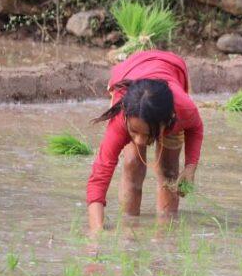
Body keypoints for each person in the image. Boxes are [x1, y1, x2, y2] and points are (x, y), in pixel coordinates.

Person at [86, 50, 203, 232]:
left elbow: (196, 128)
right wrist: (96, 232)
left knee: (169, 171)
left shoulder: (183, 110)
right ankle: (129, 230)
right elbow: (99, 176)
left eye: (148, 134)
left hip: (171, 73)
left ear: (168, 122)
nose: (140, 141)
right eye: (135, 132)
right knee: (132, 164)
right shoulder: (122, 118)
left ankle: (166, 234)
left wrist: (190, 168)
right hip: (131, 75)